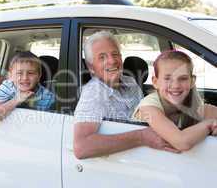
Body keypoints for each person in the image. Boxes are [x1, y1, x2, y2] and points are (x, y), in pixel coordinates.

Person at [73, 31, 178, 159]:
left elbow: (144, 115)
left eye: (115, 54)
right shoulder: (93, 93)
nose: (112, 61)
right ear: (91, 67)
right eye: (102, 57)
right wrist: (141, 137)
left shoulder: (130, 82)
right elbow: (81, 147)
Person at [132, 50, 217, 152]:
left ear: (192, 81)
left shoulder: (189, 98)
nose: (176, 85)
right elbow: (181, 142)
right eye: (168, 78)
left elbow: (203, 114)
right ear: (155, 82)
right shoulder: (148, 107)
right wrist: (209, 123)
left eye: (183, 78)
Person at [0, 51, 55, 124]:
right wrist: (17, 99)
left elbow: (47, 122)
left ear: (39, 76)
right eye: (19, 73)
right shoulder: (7, 87)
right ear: (10, 76)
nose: (25, 78)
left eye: (30, 73)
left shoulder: (47, 96)